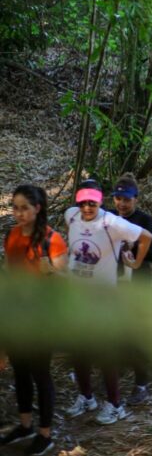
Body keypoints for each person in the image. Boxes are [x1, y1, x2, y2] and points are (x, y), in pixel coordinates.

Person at [65, 179, 152, 425]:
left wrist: (135, 264)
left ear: (100, 201)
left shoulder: (111, 222)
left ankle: (115, 404)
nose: (87, 207)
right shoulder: (70, 216)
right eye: (83, 202)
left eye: (92, 202)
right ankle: (86, 397)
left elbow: (146, 237)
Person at [1, 185, 67, 455]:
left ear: (37, 208)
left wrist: (51, 270)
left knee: (41, 375)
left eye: (24, 208)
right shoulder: (11, 235)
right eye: (15, 207)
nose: (18, 213)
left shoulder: (52, 240)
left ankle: (45, 434)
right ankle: (25, 425)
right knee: (20, 371)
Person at [108, 173, 152, 407]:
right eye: (118, 198)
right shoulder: (108, 219)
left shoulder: (145, 221)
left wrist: (134, 250)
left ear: (135, 199)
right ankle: (113, 374)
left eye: (126, 199)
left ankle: (141, 384)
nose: (122, 203)